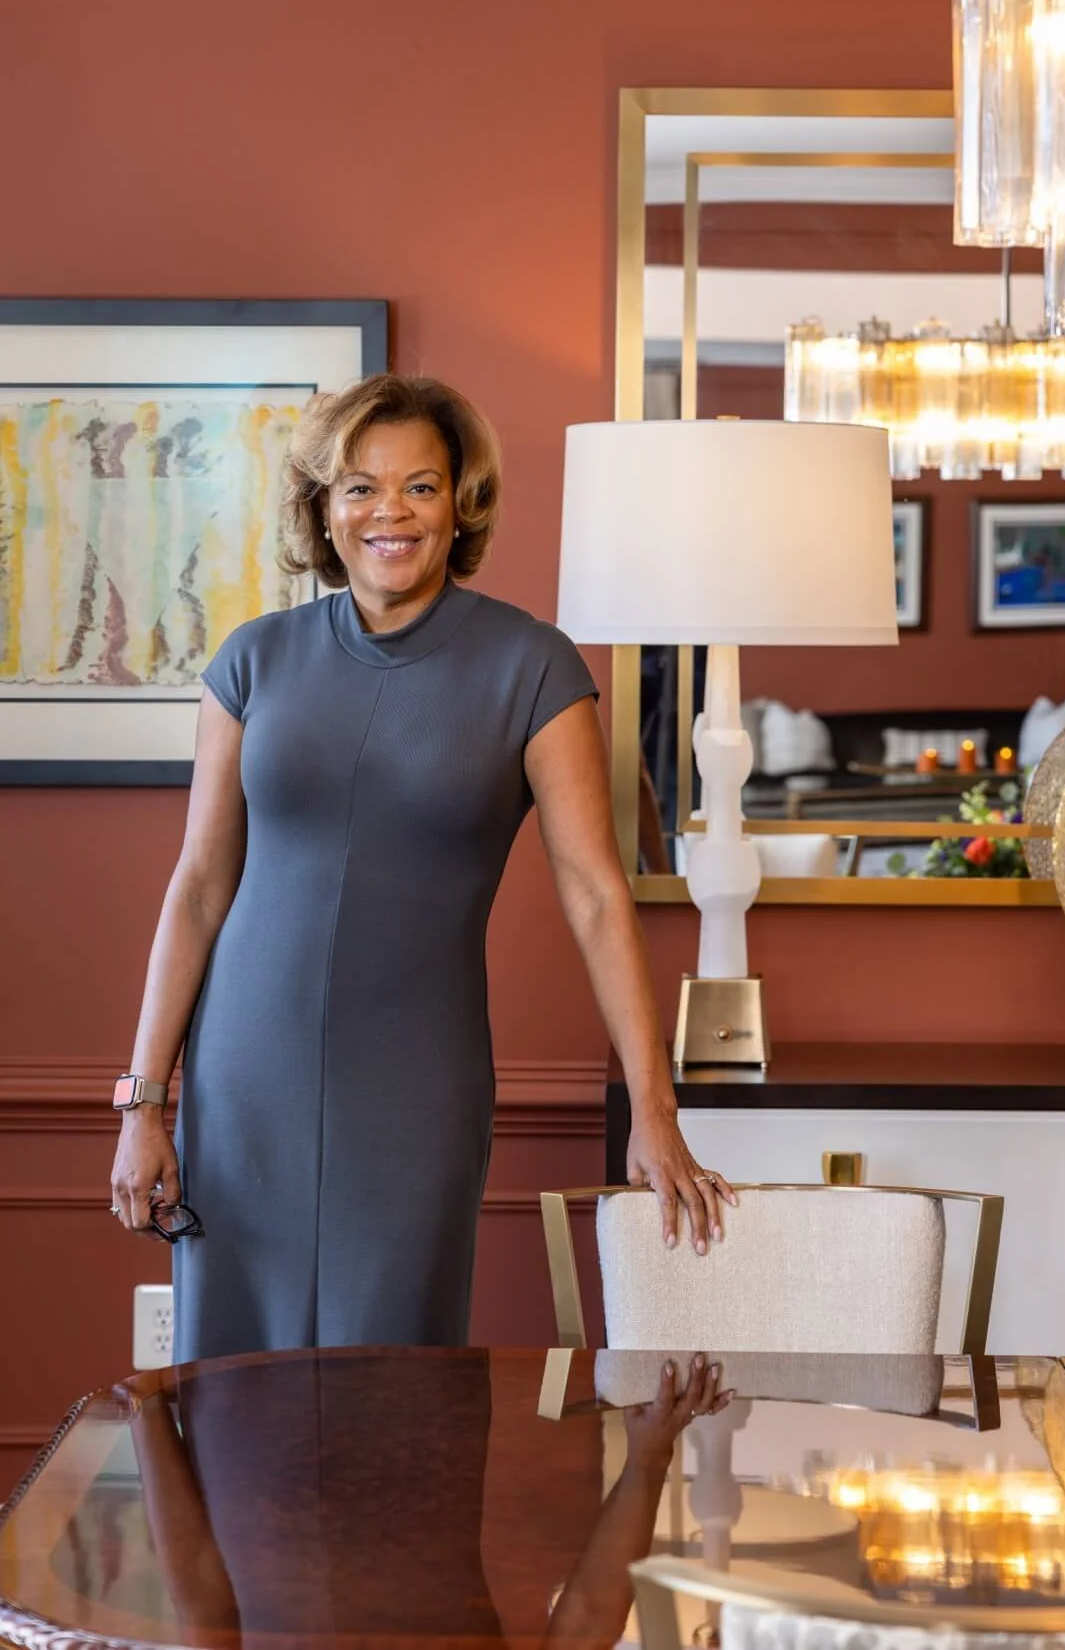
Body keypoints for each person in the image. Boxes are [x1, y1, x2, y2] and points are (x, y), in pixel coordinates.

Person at [109, 372, 734, 1361]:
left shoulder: (533, 667)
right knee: (228, 1392)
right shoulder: (251, 661)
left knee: (391, 1397)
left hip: (415, 1080)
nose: (387, 511)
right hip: (242, 1078)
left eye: (420, 486)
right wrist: (147, 1101)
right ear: (322, 507)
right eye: (358, 486)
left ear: (462, 503)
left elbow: (596, 894)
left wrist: (653, 1112)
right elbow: (197, 889)